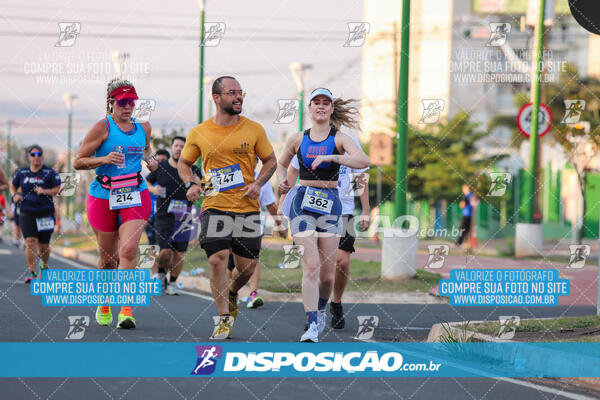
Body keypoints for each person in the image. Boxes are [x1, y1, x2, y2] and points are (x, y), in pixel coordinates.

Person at [178, 76, 277, 340]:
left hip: (247, 207)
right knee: (216, 259)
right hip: (215, 205)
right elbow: (184, 164)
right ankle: (223, 318)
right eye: (232, 92)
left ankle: (232, 292)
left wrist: (258, 183)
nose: (239, 97)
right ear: (217, 97)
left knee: (246, 268)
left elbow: (270, 161)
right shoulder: (199, 132)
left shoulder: (254, 129)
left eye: (240, 92)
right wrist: (191, 182)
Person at [277, 87, 369, 342]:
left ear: (331, 109)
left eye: (325, 103)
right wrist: (282, 183)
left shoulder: (339, 138)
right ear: (309, 108)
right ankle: (312, 324)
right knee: (311, 266)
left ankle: (322, 309)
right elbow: (282, 163)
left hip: (332, 205)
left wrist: (333, 157)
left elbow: (363, 161)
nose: (320, 106)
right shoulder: (297, 139)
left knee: (328, 276)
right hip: (303, 203)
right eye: (315, 102)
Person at [74, 78, 153, 329]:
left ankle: (126, 310)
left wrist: (150, 160)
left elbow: (146, 150)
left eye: (131, 101)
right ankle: (104, 302)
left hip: (135, 192)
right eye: (122, 102)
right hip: (104, 194)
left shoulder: (144, 127)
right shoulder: (102, 128)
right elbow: (78, 161)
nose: (128, 107)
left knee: (128, 251)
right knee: (108, 259)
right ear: (111, 103)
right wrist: (105, 158)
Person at [146, 137, 202, 295]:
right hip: (163, 216)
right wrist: (153, 190)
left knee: (179, 253)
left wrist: (197, 182)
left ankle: (172, 283)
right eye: (176, 146)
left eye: (182, 147)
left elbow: (202, 185)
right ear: (171, 148)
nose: (179, 149)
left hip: (184, 217)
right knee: (165, 252)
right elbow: (146, 182)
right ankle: (162, 272)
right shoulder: (161, 167)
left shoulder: (192, 168)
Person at [226, 168, 286, 309]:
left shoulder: (262, 179)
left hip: (252, 226)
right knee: (231, 263)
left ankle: (253, 293)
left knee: (253, 260)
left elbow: (270, 204)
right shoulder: (230, 173)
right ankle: (231, 291)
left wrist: (280, 225)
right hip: (228, 224)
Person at [11, 145, 61, 283]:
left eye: (39, 154)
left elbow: (57, 189)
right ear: (29, 157)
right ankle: (32, 273)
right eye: (33, 155)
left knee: (44, 245)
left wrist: (45, 191)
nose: (36, 157)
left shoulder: (50, 172)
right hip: (27, 211)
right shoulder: (22, 173)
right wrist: (14, 195)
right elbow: (12, 185)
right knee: (30, 241)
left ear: (43, 156)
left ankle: (44, 266)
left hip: (45, 212)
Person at [145, 149, 170, 247]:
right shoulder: (148, 178)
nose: (159, 163)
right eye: (157, 160)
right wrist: (152, 189)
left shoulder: (172, 176)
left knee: (167, 250)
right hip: (151, 218)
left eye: (163, 161)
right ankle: (149, 263)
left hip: (168, 218)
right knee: (151, 249)